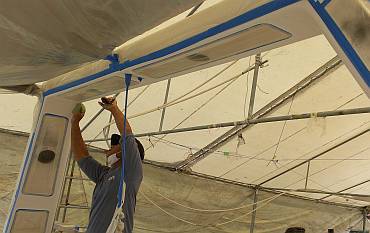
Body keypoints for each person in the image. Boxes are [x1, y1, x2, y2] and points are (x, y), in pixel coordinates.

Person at [71, 97, 144, 233]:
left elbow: (127, 133)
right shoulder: (103, 175)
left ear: (124, 152)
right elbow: (81, 155)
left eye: (112, 147)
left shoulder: (131, 171)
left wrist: (114, 109)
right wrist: (75, 122)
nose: (106, 151)